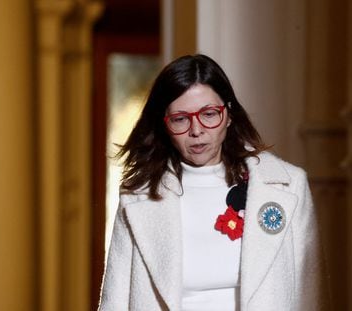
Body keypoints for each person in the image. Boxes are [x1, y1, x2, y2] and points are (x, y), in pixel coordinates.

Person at [98, 54, 329, 311]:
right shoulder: (138, 197)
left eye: (209, 114)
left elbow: (312, 297)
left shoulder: (286, 186)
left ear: (228, 115)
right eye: (180, 119)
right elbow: (115, 301)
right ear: (164, 124)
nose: (197, 130)